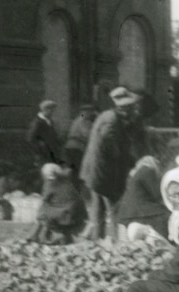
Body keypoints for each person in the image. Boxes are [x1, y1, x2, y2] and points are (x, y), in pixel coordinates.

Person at [79, 87, 146, 241]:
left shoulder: (108, 116)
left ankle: (97, 242)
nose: (133, 110)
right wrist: (126, 159)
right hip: (104, 172)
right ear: (124, 107)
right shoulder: (112, 119)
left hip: (96, 172)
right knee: (115, 208)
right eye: (131, 107)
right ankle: (117, 243)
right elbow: (108, 141)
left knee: (98, 210)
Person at [28, 163, 86, 245]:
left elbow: (44, 199)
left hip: (66, 214)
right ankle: (41, 235)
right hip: (78, 213)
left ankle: (35, 235)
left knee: (42, 212)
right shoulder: (66, 181)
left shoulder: (50, 183)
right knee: (47, 210)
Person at [115, 156, 170, 242]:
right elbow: (157, 194)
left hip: (125, 214)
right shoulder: (148, 170)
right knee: (168, 215)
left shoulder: (138, 173)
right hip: (139, 210)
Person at [62, 104, 97, 178]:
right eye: (90, 112)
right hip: (77, 148)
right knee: (78, 170)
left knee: (73, 169)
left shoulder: (78, 119)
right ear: (85, 112)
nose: (91, 115)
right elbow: (87, 134)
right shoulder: (82, 120)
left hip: (71, 147)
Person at [26, 100, 62, 166]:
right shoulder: (37, 122)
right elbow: (30, 138)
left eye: (52, 110)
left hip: (51, 154)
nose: (52, 113)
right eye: (50, 110)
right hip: (43, 155)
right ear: (44, 110)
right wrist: (39, 151)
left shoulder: (49, 121)